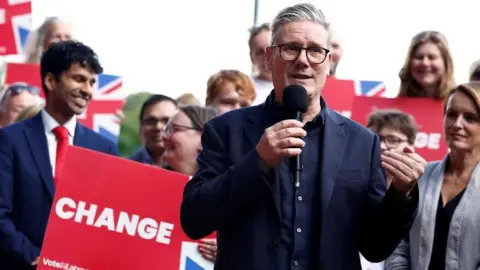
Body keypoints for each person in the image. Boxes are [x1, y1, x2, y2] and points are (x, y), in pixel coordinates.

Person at [180, 3, 426, 270]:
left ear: (328, 62)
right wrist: (257, 162)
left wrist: (401, 194)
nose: (303, 60)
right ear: (269, 57)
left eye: (315, 51)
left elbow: (374, 247)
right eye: (291, 48)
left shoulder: (362, 143)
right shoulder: (225, 130)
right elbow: (194, 220)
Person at [0, 40, 118, 270]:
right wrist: (36, 259)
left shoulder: (104, 149)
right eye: (79, 79)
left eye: (92, 82)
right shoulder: (9, 140)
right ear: (51, 80)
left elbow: (111, 221)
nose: (87, 90)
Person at [386, 82, 480, 270]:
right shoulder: (420, 175)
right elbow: (397, 242)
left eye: (470, 118)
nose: (457, 124)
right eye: (451, 114)